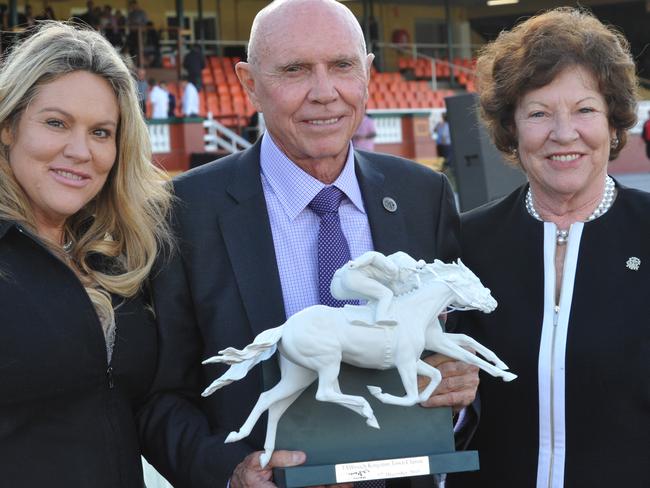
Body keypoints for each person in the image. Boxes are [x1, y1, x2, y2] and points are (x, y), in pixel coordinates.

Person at [138, 1, 479, 487]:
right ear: (249, 84)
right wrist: (230, 473)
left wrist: (458, 400)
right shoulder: (182, 211)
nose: (324, 93)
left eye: (341, 66)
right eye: (295, 70)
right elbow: (158, 396)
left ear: (366, 74)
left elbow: (456, 364)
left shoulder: (423, 197)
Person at [448, 8, 648, 488]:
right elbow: (446, 403)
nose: (564, 133)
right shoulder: (465, 244)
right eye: (539, 113)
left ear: (614, 123)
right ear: (512, 130)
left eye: (584, 110)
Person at [0, 22, 172, 487]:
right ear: (9, 127)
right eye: (56, 123)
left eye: (101, 132)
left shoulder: (121, 256)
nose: (80, 151)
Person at [331, 250, 425, 325]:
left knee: (379, 298)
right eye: (410, 274)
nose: (407, 279)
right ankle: (381, 317)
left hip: (342, 283)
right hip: (353, 275)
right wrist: (358, 263)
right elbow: (373, 255)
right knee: (386, 294)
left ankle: (366, 318)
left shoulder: (392, 279)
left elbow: (397, 294)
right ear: (404, 268)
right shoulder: (393, 268)